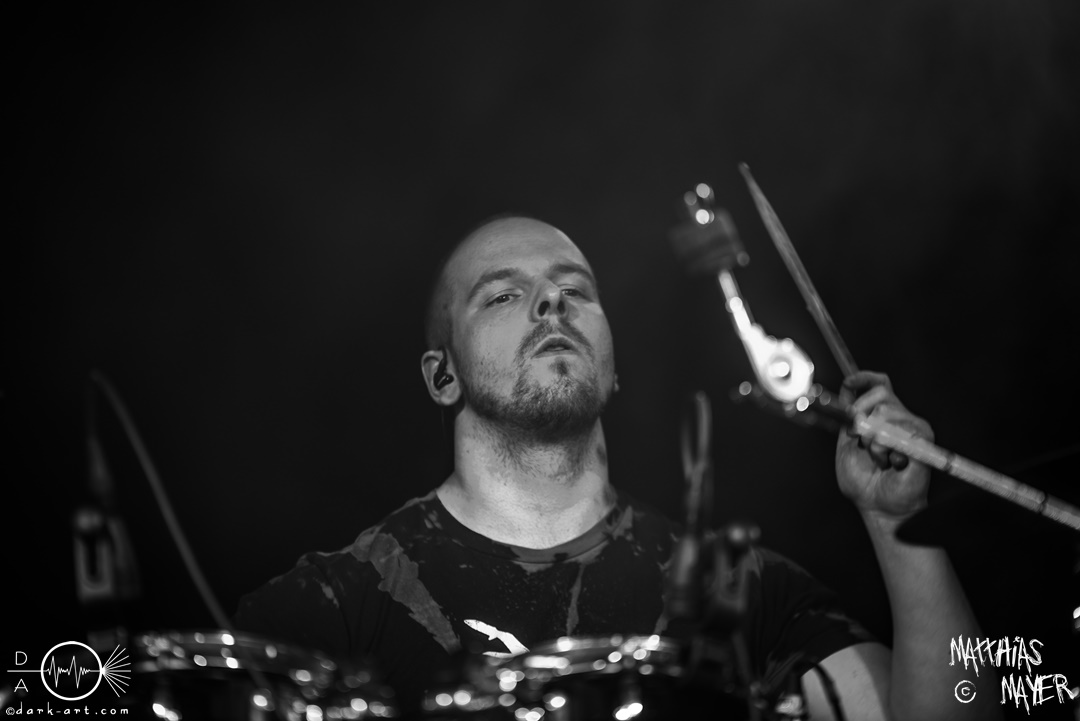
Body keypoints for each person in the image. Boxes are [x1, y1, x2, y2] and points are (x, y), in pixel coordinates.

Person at [235, 216, 999, 721]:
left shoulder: (739, 590)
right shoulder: (337, 605)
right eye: (504, 295)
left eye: (576, 290)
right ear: (443, 376)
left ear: (613, 365)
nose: (552, 304)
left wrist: (897, 522)